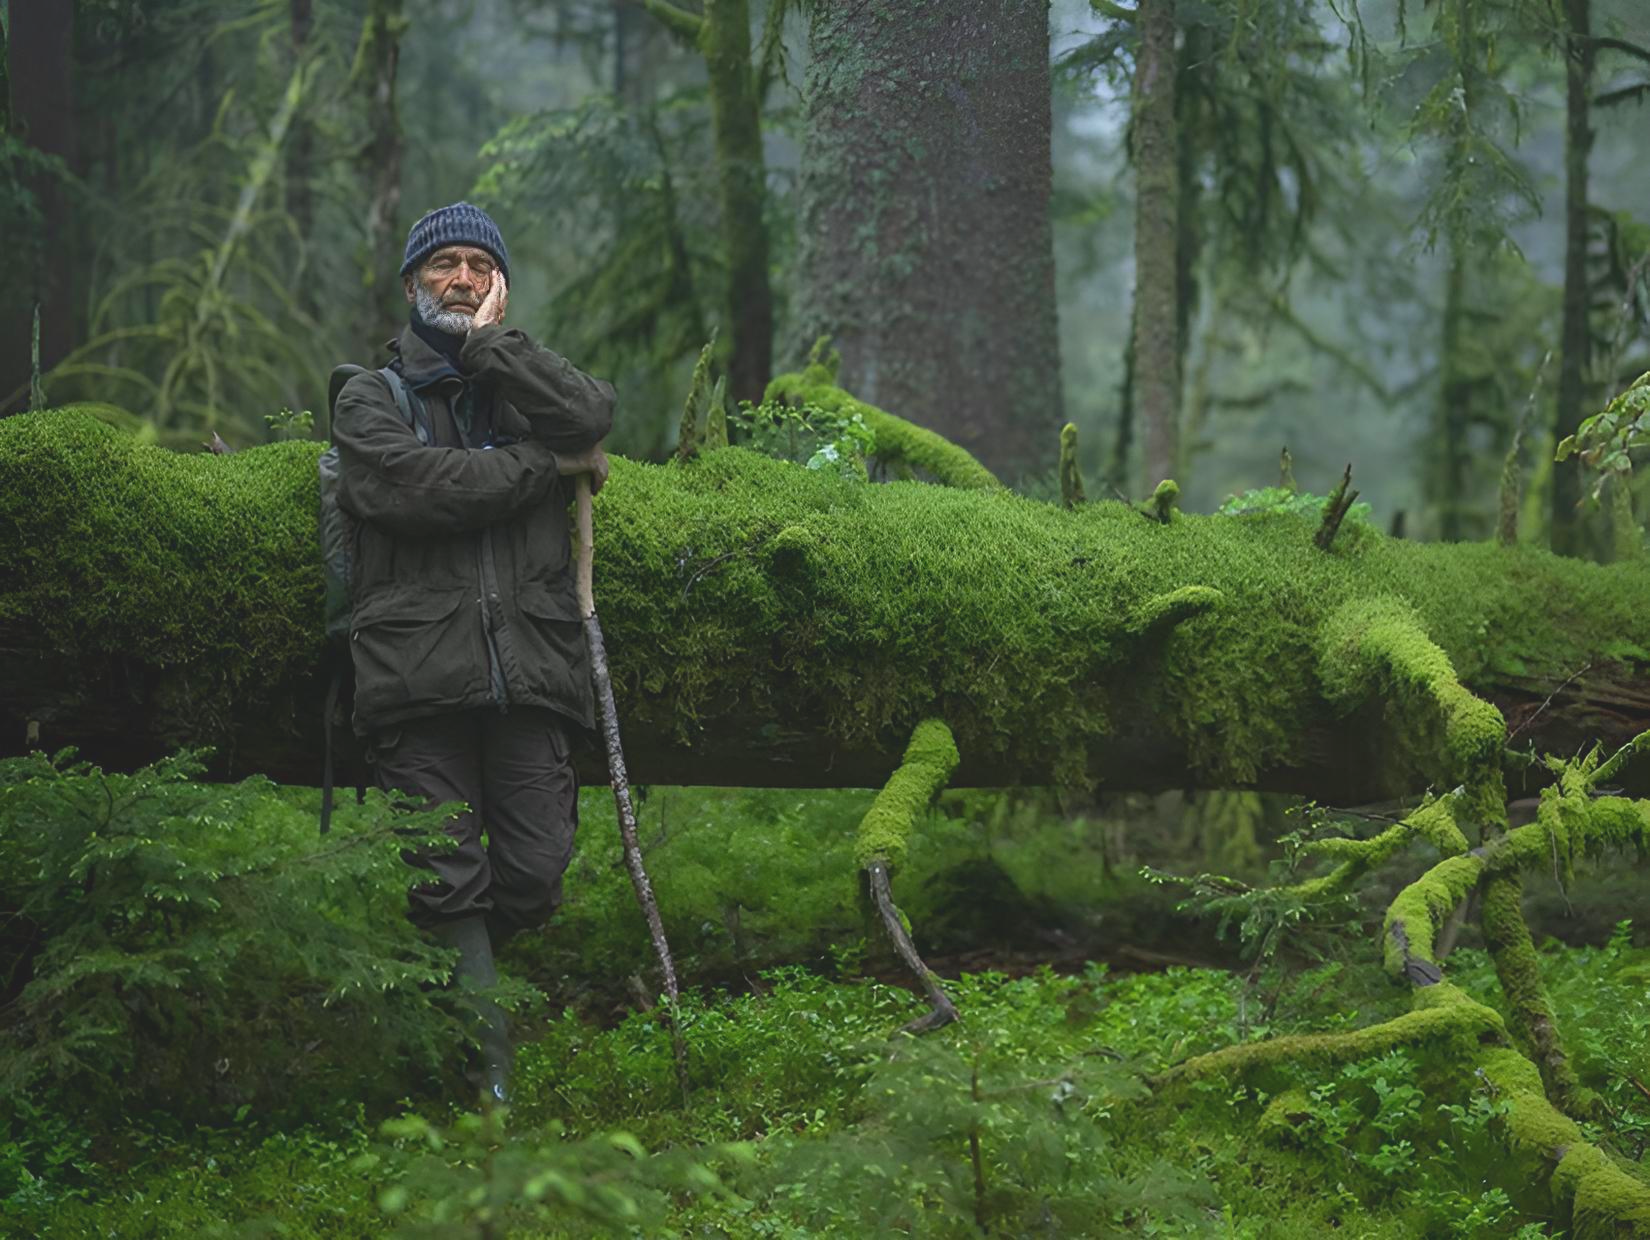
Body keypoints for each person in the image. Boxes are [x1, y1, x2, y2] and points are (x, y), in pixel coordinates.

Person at [331, 202, 614, 1102]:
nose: (461, 278)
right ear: (412, 283)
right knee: (448, 882)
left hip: (529, 673)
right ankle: (486, 1088)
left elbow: (590, 414)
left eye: (478, 267)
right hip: (416, 680)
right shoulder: (371, 395)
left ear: (499, 287)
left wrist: (496, 352)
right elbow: (418, 490)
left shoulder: (519, 382)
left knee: (533, 875)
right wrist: (544, 468)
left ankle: (450, 988)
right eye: (443, 265)